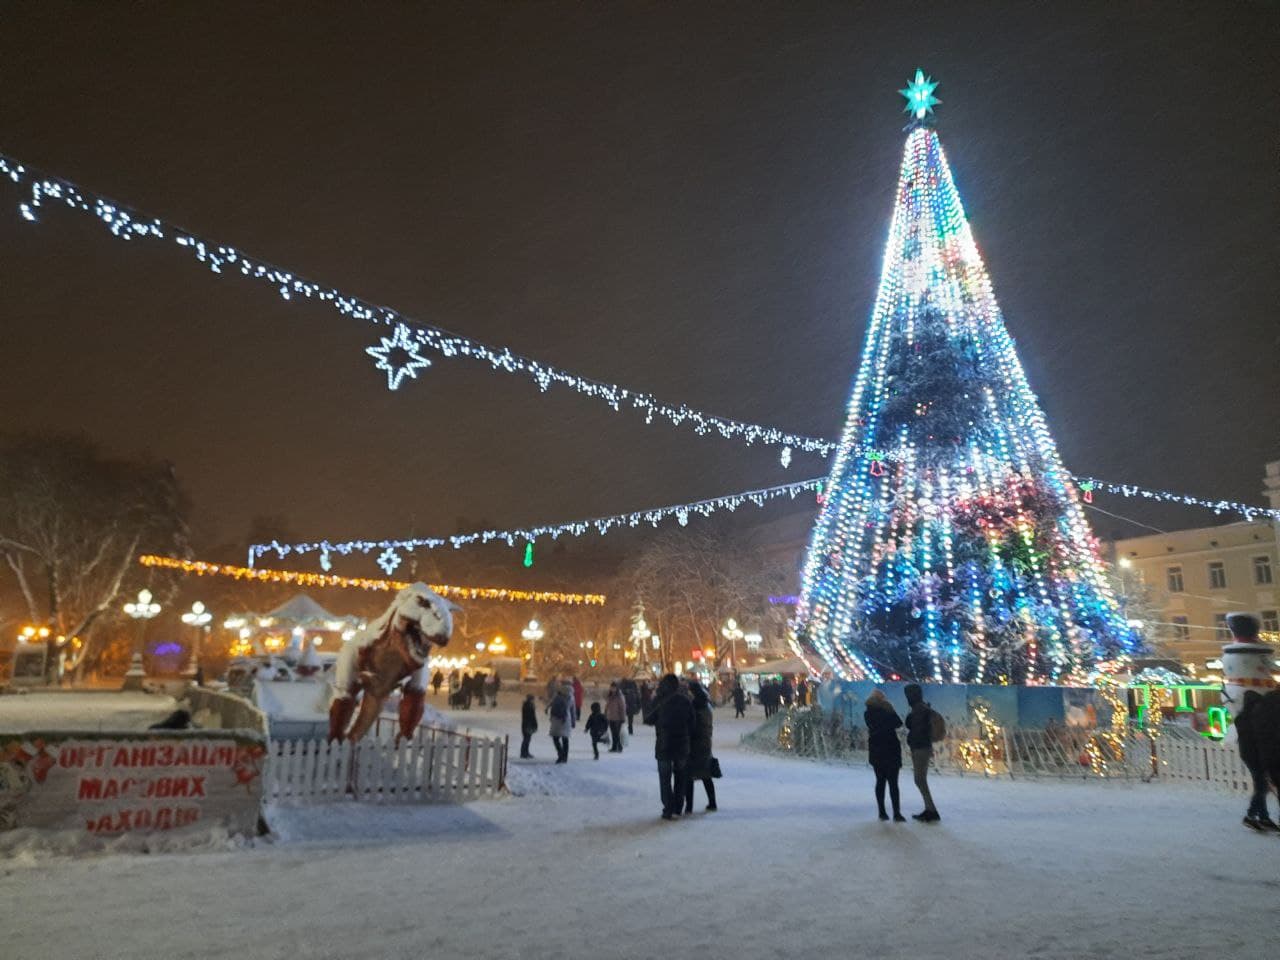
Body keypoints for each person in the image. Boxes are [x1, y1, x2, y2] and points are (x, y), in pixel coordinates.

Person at [644, 673, 695, 820]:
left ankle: (668, 808)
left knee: (665, 779)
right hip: (682, 745)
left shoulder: (659, 700)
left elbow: (648, 719)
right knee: (680, 777)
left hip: (664, 745)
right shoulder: (685, 700)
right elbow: (692, 723)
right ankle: (678, 807)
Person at [1235, 688, 1277, 831]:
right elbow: (1258, 740)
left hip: (1248, 755)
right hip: (1256, 756)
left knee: (1261, 785)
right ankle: (1250, 815)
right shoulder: (1253, 719)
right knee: (1262, 786)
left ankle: (1264, 817)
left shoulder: (1242, 718)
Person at [865, 689, 905, 822]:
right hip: (891, 748)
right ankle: (896, 813)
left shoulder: (868, 713)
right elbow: (898, 723)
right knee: (893, 783)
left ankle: (882, 812)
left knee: (880, 781)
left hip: (876, 749)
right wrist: (889, 708)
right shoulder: (887, 710)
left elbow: (873, 726)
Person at [903, 683, 940, 822]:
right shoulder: (922, 708)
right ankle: (930, 808)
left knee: (919, 779)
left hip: (920, 747)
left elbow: (914, 727)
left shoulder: (918, 710)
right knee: (920, 779)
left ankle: (931, 810)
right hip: (922, 746)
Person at [684, 680, 718, 813]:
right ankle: (712, 802)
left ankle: (689, 806)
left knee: (689, 775)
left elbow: (691, 725)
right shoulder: (706, 705)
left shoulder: (694, 706)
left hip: (694, 743)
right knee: (706, 774)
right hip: (705, 742)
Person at [548, 685, 572, 763]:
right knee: (565, 739)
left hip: (557, 720)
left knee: (556, 738)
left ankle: (561, 754)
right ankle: (565, 757)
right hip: (566, 720)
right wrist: (573, 721)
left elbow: (552, 706)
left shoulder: (557, 698)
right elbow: (573, 710)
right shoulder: (571, 698)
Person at [605, 682, 627, 752]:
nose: (612, 689)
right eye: (611, 687)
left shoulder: (619, 696)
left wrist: (623, 718)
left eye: (614, 687)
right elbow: (607, 706)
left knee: (616, 733)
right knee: (613, 733)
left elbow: (622, 708)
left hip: (618, 718)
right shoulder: (609, 696)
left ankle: (619, 746)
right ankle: (614, 747)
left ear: (617, 688)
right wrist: (605, 713)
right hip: (610, 717)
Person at [520, 693, 538, 759]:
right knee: (526, 739)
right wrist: (534, 724)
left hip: (527, 724)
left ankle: (526, 752)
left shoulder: (528, 705)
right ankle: (523, 753)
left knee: (527, 739)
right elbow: (531, 716)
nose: (533, 701)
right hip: (527, 725)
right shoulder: (528, 706)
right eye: (533, 699)